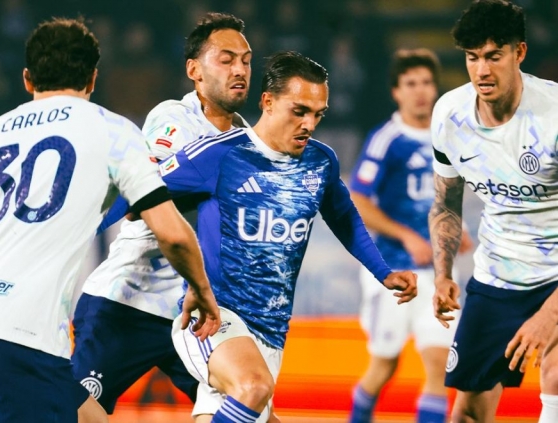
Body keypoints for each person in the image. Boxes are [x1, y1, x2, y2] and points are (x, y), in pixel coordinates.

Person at [0, 11, 262, 423]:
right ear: (93, 79)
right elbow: (167, 228)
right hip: (33, 332)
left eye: (246, 61)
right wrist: (202, 288)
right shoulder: (113, 132)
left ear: (27, 79)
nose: (240, 69)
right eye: (227, 59)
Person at [158, 51, 419, 423]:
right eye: (299, 111)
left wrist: (384, 272)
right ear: (267, 102)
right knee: (252, 387)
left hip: (272, 332)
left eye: (318, 114)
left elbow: (343, 217)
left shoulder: (320, 162)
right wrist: (190, 274)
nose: (309, 124)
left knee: (243, 401)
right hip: (214, 317)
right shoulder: (221, 154)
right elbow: (139, 195)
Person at [428, 1, 558, 422]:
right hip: (498, 275)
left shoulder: (553, 117)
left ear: (519, 53)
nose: (482, 70)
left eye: (493, 56)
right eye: (472, 58)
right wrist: (444, 273)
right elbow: (446, 203)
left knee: (556, 381)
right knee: (467, 414)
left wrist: (548, 316)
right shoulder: (449, 116)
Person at [348, 49, 473, 423]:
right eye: (411, 83)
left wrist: (459, 229)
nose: (420, 91)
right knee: (383, 366)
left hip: (438, 273)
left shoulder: (449, 135)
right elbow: (358, 201)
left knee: (439, 364)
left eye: (426, 83)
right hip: (394, 272)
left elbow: (448, 193)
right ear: (396, 92)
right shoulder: (387, 139)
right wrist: (407, 236)